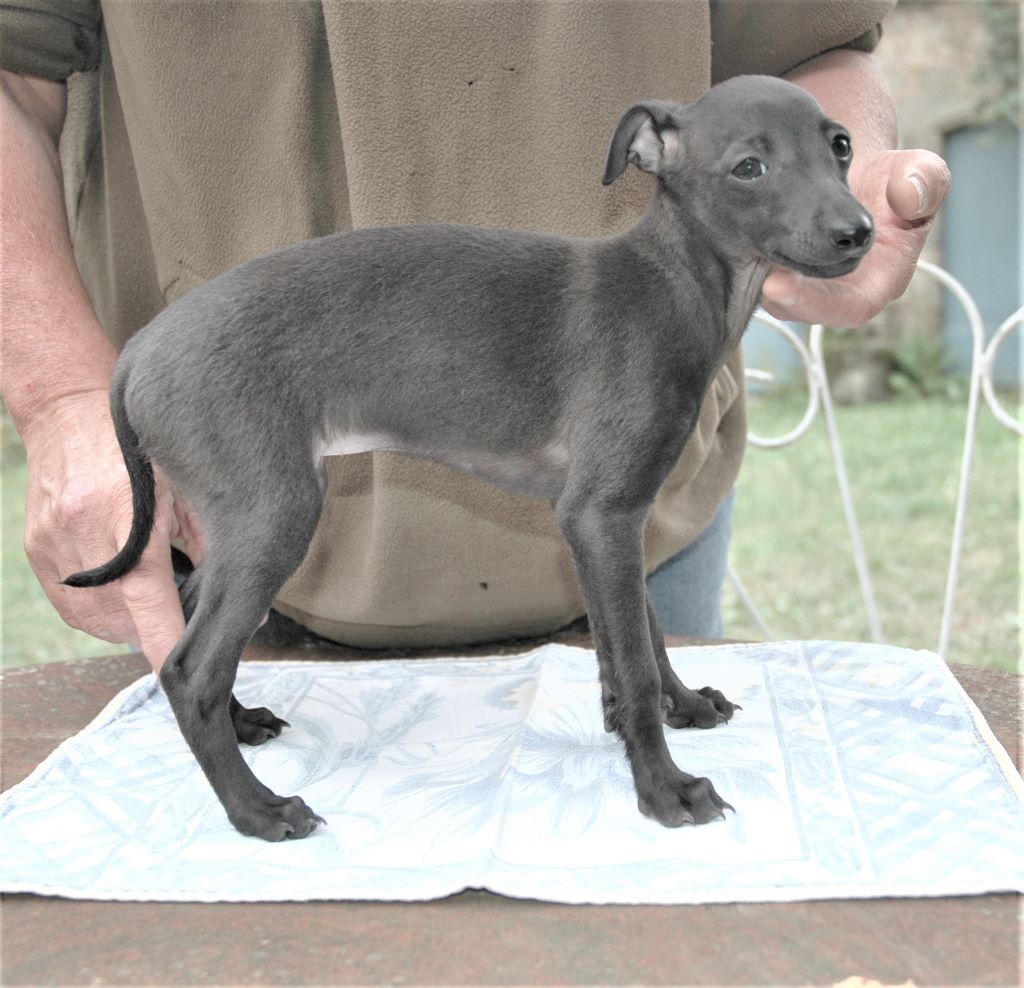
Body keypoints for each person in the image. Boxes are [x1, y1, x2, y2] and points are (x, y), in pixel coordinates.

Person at [1, 1, 950, 673]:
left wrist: (838, 181)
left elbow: (814, 51)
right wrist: (59, 393)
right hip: (212, 515)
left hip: (646, 547)